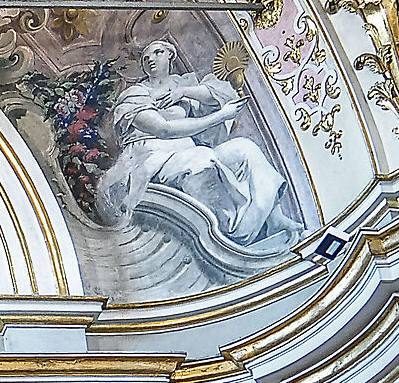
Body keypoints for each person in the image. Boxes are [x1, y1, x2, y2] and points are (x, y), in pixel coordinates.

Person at [97, 39, 298, 246]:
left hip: (186, 150)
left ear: (170, 56)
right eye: (145, 58)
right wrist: (220, 116)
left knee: (245, 149)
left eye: (157, 52)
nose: (151, 60)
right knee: (203, 159)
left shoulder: (183, 84)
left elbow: (216, 96)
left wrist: (184, 92)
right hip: (150, 156)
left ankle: (273, 218)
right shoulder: (134, 94)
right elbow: (163, 129)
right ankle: (227, 232)